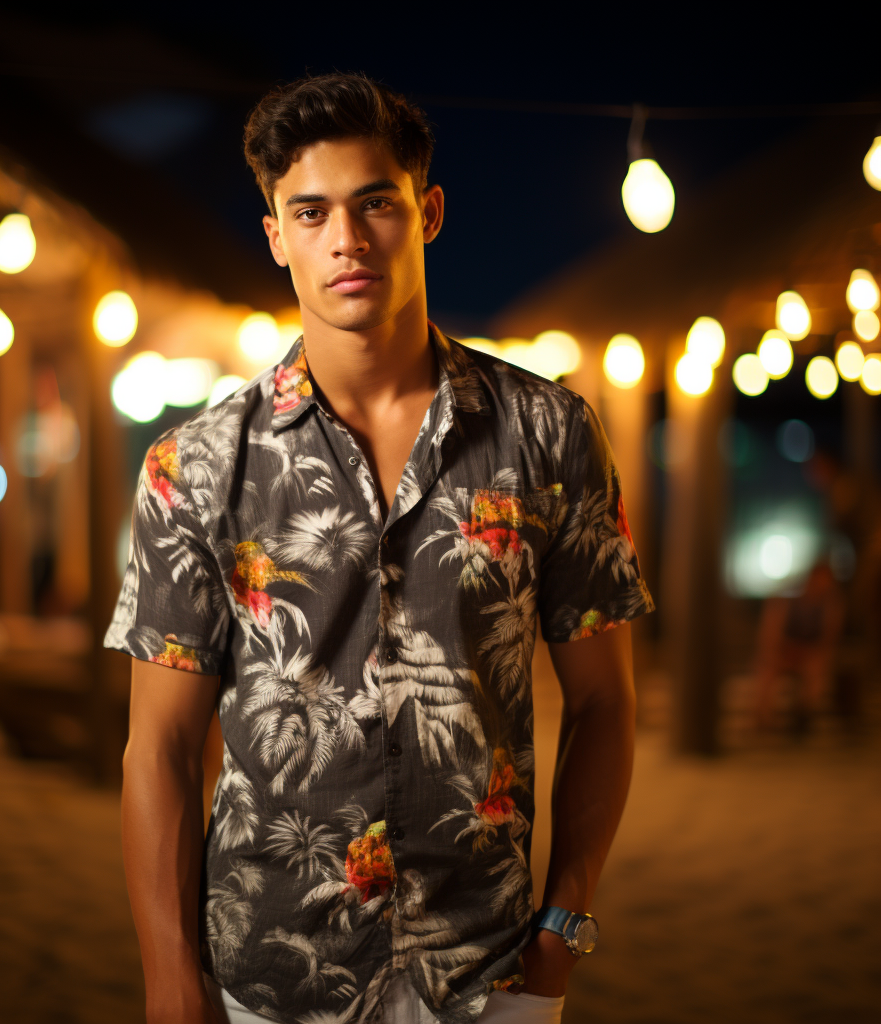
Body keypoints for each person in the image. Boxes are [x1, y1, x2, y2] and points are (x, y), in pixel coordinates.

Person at [105, 72, 655, 1024]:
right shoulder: (193, 468)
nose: (347, 242)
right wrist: (168, 980)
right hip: (272, 972)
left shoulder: (548, 433)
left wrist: (565, 926)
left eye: (375, 205)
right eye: (310, 213)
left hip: (490, 972)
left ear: (427, 211)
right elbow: (157, 745)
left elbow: (606, 699)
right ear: (276, 235)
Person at [752, 560, 845, 736]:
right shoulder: (788, 599)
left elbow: (828, 640)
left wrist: (811, 654)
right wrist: (779, 653)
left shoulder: (830, 605)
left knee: (816, 669)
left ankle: (803, 718)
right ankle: (763, 722)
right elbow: (770, 634)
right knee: (766, 669)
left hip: (809, 655)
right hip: (784, 651)